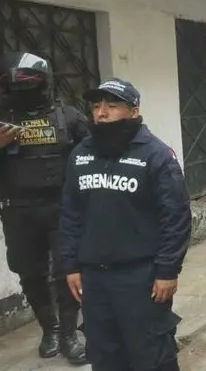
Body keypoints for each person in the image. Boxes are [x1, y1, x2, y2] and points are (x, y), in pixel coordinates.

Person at [60, 78, 192, 371]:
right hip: (94, 280)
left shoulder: (155, 154)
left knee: (151, 355)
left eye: (112, 105)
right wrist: (70, 265)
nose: (102, 112)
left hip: (141, 278)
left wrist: (167, 270)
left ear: (133, 111)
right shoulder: (81, 155)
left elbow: (176, 216)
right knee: (104, 355)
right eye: (96, 106)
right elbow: (70, 214)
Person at [0, 52, 91, 364]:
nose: (23, 91)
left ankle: (69, 334)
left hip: (62, 207)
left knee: (66, 271)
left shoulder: (69, 117)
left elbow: (93, 157)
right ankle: (51, 329)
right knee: (29, 272)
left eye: (29, 84)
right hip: (18, 209)